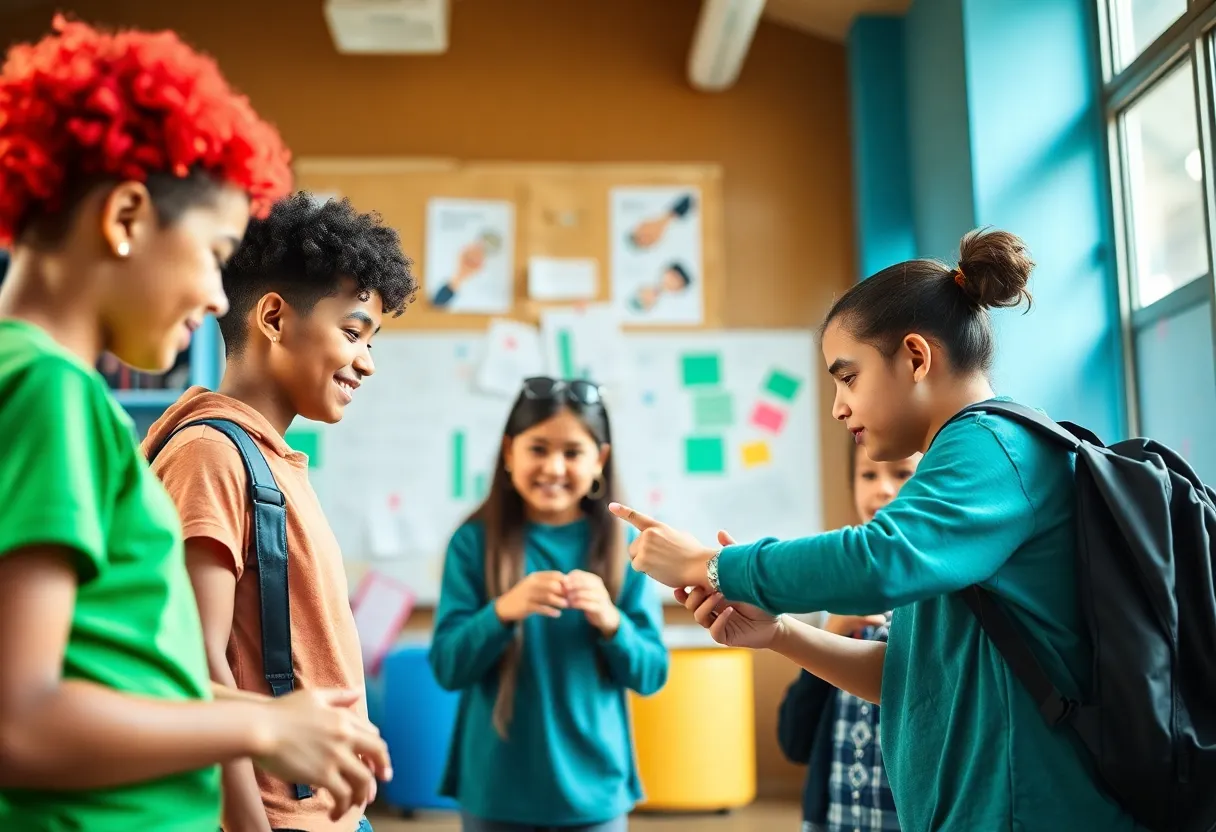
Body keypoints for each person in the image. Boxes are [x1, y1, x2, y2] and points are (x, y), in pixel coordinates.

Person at [608, 228, 1140, 831]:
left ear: (916, 357)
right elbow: (914, 679)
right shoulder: (964, 465)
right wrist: (779, 634)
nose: (838, 406)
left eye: (848, 377)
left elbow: (876, 563)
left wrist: (712, 565)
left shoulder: (992, 447)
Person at [0, 16, 389, 832]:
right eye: (214, 253)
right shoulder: (48, 392)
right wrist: (258, 722)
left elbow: (125, 671)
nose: (220, 296)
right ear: (127, 217)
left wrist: (291, 726)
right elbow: (19, 720)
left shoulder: (48, 389)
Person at [143, 191, 415, 832]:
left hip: (328, 817)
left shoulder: (270, 459)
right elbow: (197, 669)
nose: (367, 362)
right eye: (353, 331)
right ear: (272, 317)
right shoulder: (210, 454)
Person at [429, 377, 669, 832]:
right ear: (508, 453)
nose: (553, 467)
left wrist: (611, 621)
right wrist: (502, 611)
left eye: (573, 453)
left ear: (599, 460)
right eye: (537, 448)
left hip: (594, 794)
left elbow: (652, 674)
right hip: (495, 790)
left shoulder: (627, 545)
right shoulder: (472, 542)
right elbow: (447, 666)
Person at [777, 442, 918, 832]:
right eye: (868, 475)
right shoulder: (838, 598)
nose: (882, 490)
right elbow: (794, 741)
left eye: (902, 473)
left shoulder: (939, 600)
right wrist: (829, 633)